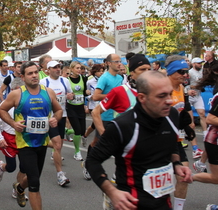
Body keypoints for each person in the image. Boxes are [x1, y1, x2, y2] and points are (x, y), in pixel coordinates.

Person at [86, 71, 193, 210]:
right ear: (142, 97)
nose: (169, 101)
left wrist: (177, 164)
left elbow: (170, 144)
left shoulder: (171, 115)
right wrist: (111, 191)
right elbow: (92, 161)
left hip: (163, 202)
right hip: (131, 203)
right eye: (161, 96)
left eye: (169, 94)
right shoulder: (122, 126)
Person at [0, 61, 62, 209]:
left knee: (34, 177)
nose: (34, 76)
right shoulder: (17, 94)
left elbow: (58, 111)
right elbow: (1, 110)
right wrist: (13, 124)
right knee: (35, 183)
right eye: (30, 73)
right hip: (25, 144)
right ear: (23, 76)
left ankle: (19, 188)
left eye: (35, 72)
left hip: (42, 141)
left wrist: (55, 119)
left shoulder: (48, 92)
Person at [165, 55, 197, 210]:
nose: (185, 75)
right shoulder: (163, 89)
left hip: (176, 140)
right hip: (160, 141)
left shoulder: (182, 88)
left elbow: (182, 110)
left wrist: (187, 125)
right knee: (158, 181)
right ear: (171, 72)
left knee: (183, 177)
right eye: (181, 71)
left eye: (186, 71)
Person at [0, 77, 28, 200]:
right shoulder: (5, 103)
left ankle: (17, 190)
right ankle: (1, 166)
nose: (19, 94)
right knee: (12, 167)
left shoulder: (26, 102)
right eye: (17, 91)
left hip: (23, 139)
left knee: (24, 167)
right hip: (9, 139)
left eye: (22, 91)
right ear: (12, 90)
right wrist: (0, 138)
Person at [40, 60, 74, 186]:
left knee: (59, 144)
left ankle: (50, 149)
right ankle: (60, 174)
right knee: (58, 145)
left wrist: (71, 96)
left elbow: (71, 94)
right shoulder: (44, 82)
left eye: (59, 67)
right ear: (48, 70)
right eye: (54, 67)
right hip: (49, 117)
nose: (58, 69)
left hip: (62, 115)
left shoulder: (65, 81)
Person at [65, 61, 89, 161]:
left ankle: (66, 131)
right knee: (78, 131)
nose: (79, 70)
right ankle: (77, 152)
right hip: (71, 107)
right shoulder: (66, 80)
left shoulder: (83, 78)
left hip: (80, 107)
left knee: (82, 131)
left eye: (80, 68)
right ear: (71, 69)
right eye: (77, 68)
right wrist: (68, 96)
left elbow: (84, 92)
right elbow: (64, 93)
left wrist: (86, 99)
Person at [188, 57, 208, 143]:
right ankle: (190, 135)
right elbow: (187, 85)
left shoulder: (201, 72)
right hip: (189, 96)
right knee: (190, 118)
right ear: (194, 64)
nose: (200, 65)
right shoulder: (189, 72)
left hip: (198, 95)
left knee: (202, 114)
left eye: (201, 63)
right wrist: (196, 86)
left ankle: (205, 134)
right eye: (198, 63)